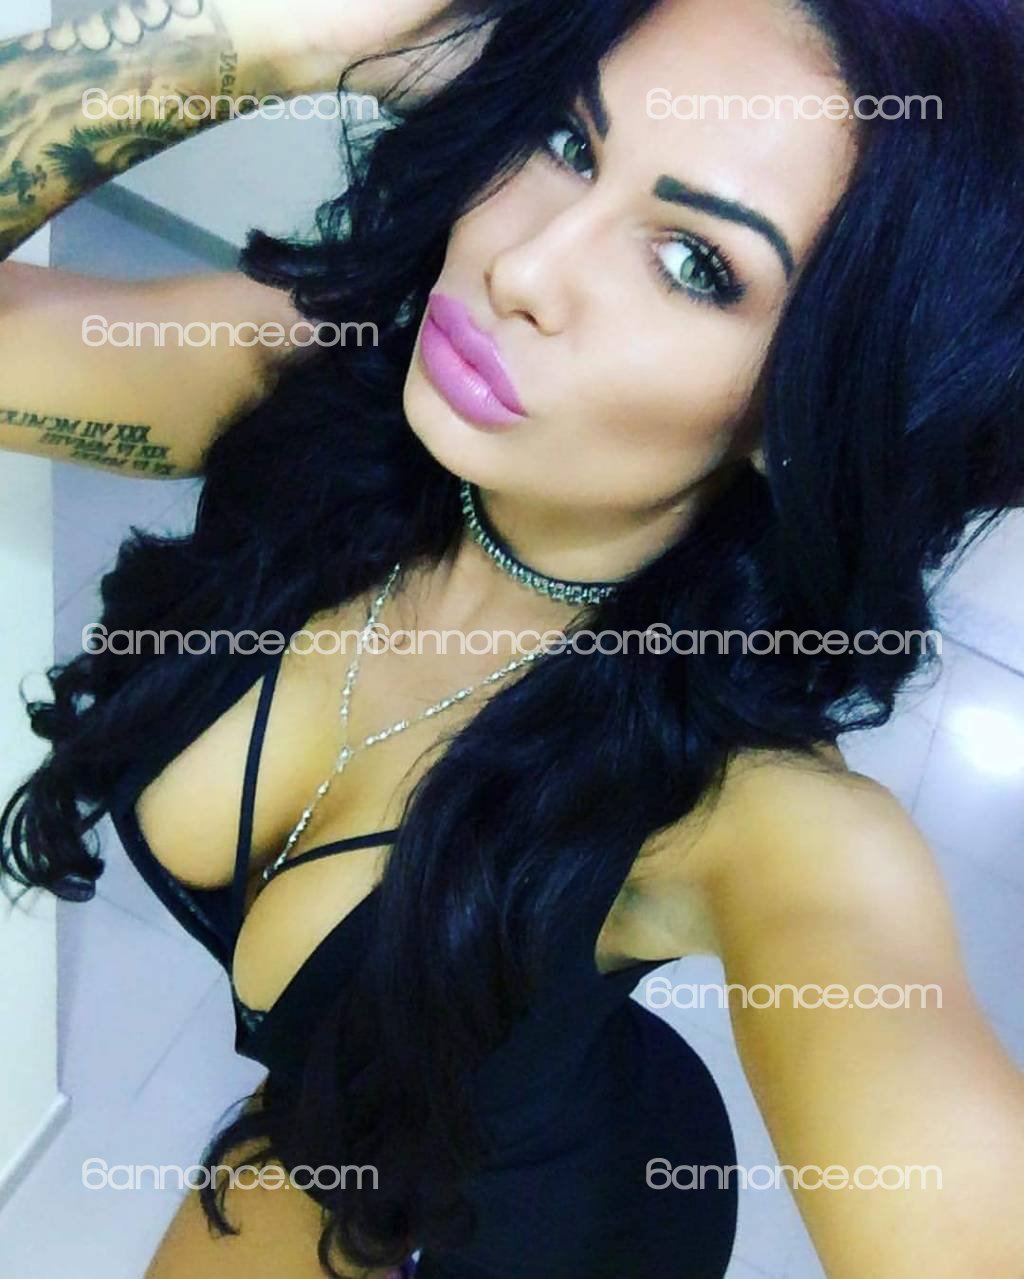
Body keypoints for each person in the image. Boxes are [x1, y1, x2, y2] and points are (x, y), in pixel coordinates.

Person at [1, 0, 1023, 1275]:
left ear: (816, 409)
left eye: (695, 264)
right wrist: (278, 43)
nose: (524, 269)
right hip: (350, 1127)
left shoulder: (757, 816)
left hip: (563, 1229)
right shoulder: (316, 390)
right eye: (567, 140)